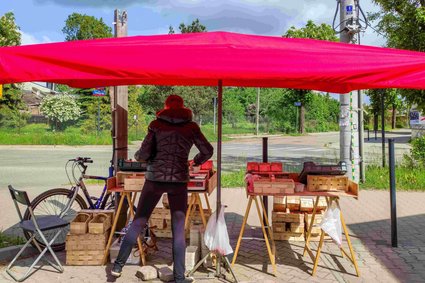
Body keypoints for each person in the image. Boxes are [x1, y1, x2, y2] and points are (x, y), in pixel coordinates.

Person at [111, 94, 214, 283]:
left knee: (138, 221)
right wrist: (194, 161)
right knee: (178, 228)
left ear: (165, 107)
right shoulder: (191, 127)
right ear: (183, 108)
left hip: (154, 179)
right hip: (179, 181)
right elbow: (208, 150)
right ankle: (180, 277)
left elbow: (143, 154)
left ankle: (117, 267)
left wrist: (141, 156)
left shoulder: (156, 125)